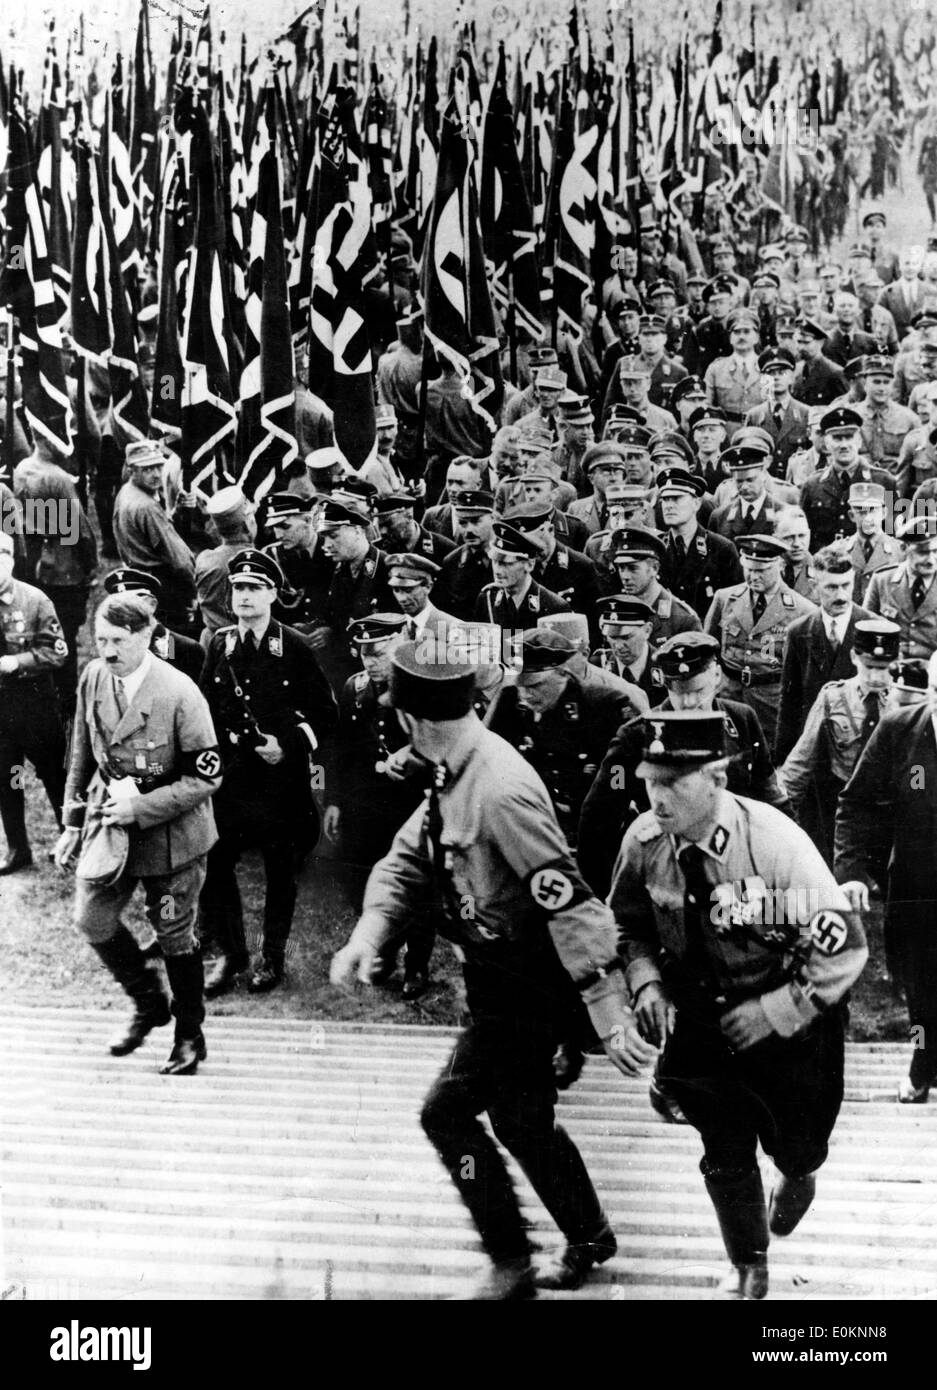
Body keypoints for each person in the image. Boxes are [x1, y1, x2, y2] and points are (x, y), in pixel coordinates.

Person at [330, 639, 655, 1299]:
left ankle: (509, 1263)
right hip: (494, 973)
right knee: (518, 1119)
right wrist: (372, 928)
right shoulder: (455, 765)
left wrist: (607, 1011)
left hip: (527, 983)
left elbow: (569, 902)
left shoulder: (498, 789)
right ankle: (588, 1233)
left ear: (410, 721)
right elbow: (410, 857)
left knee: (444, 1114)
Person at [611, 710, 867, 1299]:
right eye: (650, 780)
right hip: (706, 1016)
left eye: (674, 782)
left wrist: (776, 1011)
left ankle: (798, 1173)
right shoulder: (645, 841)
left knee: (798, 1144)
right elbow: (626, 925)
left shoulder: (775, 844)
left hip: (793, 1010)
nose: (657, 796)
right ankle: (749, 1262)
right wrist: (646, 980)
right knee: (722, 1148)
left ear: (719, 781)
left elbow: (844, 946)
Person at [53, 592, 223, 1074]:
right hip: (109, 829)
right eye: (100, 640)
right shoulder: (93, 677)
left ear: (147, 636)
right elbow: (81, 752)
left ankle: (189, 1034)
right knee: (91, 918)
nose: (108, 651)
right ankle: (149, 1003)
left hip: (171, 837)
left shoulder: (180, 693)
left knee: (174, 934)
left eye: (119, 641)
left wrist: (141, 807)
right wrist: (71, 822)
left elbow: (206, 777)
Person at [199, 549, 337, 996]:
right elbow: (204, 710)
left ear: (273, 594)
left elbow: (326, 714)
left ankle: (270, 957)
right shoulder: (219, 643)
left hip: (280, 785)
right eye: (238, 588)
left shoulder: (292, 646)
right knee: (216, 863)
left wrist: (291, 745)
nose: (243, 596)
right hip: (232, 783)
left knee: (281, 872)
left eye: (254, 588)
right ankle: (232, 953)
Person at [578, 632, 787, 900]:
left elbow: (770, 795)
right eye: (678, 693)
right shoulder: (636, 738)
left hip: (740, 866)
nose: (689, 703)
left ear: (717, 676)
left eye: (697, 691)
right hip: (670, 870)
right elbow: (600, 814)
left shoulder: (741, 720)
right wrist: (599, 894)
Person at [835, 651, 937, 1101]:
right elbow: (856, 803)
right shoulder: (900, 731)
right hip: (916, 887)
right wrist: (854, 871)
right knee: (918, 986)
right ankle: (921, 1062)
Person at [322, 613, 434, 999]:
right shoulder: (355, 689)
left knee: (417, 882)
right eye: (364, 654)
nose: (370, 662)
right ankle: (383, 949)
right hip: (364, 804)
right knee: (359, 879)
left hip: (410, 802)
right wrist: (334, 801)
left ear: (400, 644)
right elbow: (340, 749)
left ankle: (416, 965)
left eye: (379, 652)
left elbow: (442, 743)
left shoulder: (421, 687)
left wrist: (414, 752)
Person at [485, 627, 639, 846]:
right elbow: (487, 757)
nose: (527, 695)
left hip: (595, 828)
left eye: (536, 685)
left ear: (562, 674)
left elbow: (622, 771)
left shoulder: (603, 705)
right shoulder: (510, 702)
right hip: (531, 824)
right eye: (521, 686)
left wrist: (614, 803)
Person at [780, 620, 900, 861]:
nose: (876, 676)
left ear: (895, 663)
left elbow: (918, 766)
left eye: (883, 667)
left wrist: (917, 793)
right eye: (869, 667)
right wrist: (779, 814)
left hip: (891, 814)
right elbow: (800, 764)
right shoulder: (832, 698)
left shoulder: (908, 705)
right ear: (854, 657)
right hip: (843, 813)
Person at [704, 534, 817, 749]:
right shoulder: (725, 599)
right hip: (729, 696)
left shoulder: (803, 611)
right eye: (749, 569)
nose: (753, 576)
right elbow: (710, 648)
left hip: (771, 701)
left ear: (781, 566)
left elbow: (805, 672)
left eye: (761, 571)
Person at [13, 434, 98, 718]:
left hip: (33, 564)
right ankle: (66, 703)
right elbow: (80, 532)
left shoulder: (23, 468)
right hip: (64, 571)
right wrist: (90, 565)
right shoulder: (59, 479)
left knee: (35, 632)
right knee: (65, 640)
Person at [0, 529, 68, 874]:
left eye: (1, 556)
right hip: (1, 711)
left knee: (53, 774)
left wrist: (18, 662)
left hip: (35, 704)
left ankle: (69, 840)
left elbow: (57, 653)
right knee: (8, 777)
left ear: (11, 559)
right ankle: (17, 848)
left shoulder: (35, 601)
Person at [775, 547, 872, 762]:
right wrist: (783, 760)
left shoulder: (873, 628)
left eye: (846, 585)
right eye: (831, 587)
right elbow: (789, 701)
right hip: (813, 752)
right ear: (814, 586)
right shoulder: (799, 632)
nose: (840, 595)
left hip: (858, 752)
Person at [113, 440, 198, 635]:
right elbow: (180, 561)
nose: (156, 474)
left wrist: (176, 511)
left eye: (159, 466)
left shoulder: (126, 492)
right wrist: (194, 592)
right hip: (164, 587)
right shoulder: (147, 506)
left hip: (139, 580)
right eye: (148, 469)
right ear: (133, 470)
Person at [800, 407, 892, 551]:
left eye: (849, 437)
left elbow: (895, 533)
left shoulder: (883, 481)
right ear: (826, 442)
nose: (844, 445)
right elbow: (805, 535)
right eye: (837, 438)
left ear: (859, 440)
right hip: (827, 566)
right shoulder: (812, 485)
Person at [657, 467, 743, 620]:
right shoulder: (656, 549)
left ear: (696, 504)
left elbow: (735, 607)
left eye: (676, 498)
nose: (668, 505)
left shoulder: (722, 549)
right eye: (665, 499)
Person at [102, 568, 204, 681]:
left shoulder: (184, 650)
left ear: (152, 605)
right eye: (117, 608)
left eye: (130, 606)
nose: (122, 615)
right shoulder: (112, 648)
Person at [863, 513, 937, 659]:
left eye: (936, 551)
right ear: (903, 548)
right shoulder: (882, 580)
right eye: (922, 552)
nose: (931, 560)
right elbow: (865, 630)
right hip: (889, 668)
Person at [195, 486, 257, 638]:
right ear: (248, 524)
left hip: (211, 642)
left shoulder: (205, 559)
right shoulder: (255, 562)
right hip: (246, 644)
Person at [589, 596, 665, 705]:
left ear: (647, 630)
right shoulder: (597, 668)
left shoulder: (667, 667)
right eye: (612, 637)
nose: (618, 646)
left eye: (626, 637)